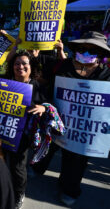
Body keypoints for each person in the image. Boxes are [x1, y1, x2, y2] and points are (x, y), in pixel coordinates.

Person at [31, 31, 110, 206]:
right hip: (57, 119)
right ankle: (37, 168)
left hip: (83, 129)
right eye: (83, 49)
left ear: (101, 55)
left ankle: (69, 188)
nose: (87, 54)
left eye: (92, 51)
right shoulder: (62, 66)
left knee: (76, 160)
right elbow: (43, 82)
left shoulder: (106, 76)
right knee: (49, 145)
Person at [5, 51, 48, 208]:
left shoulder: (37, 87)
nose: (20, 66)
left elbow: (48, 105)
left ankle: (18, 195)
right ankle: (3, 190)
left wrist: (43, 108)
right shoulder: (5, 82)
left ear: (31, 67)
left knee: (17, 168)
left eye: (24, 63)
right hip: (1, 130)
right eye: (17, 63)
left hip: (22, 134)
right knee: (0, 163)